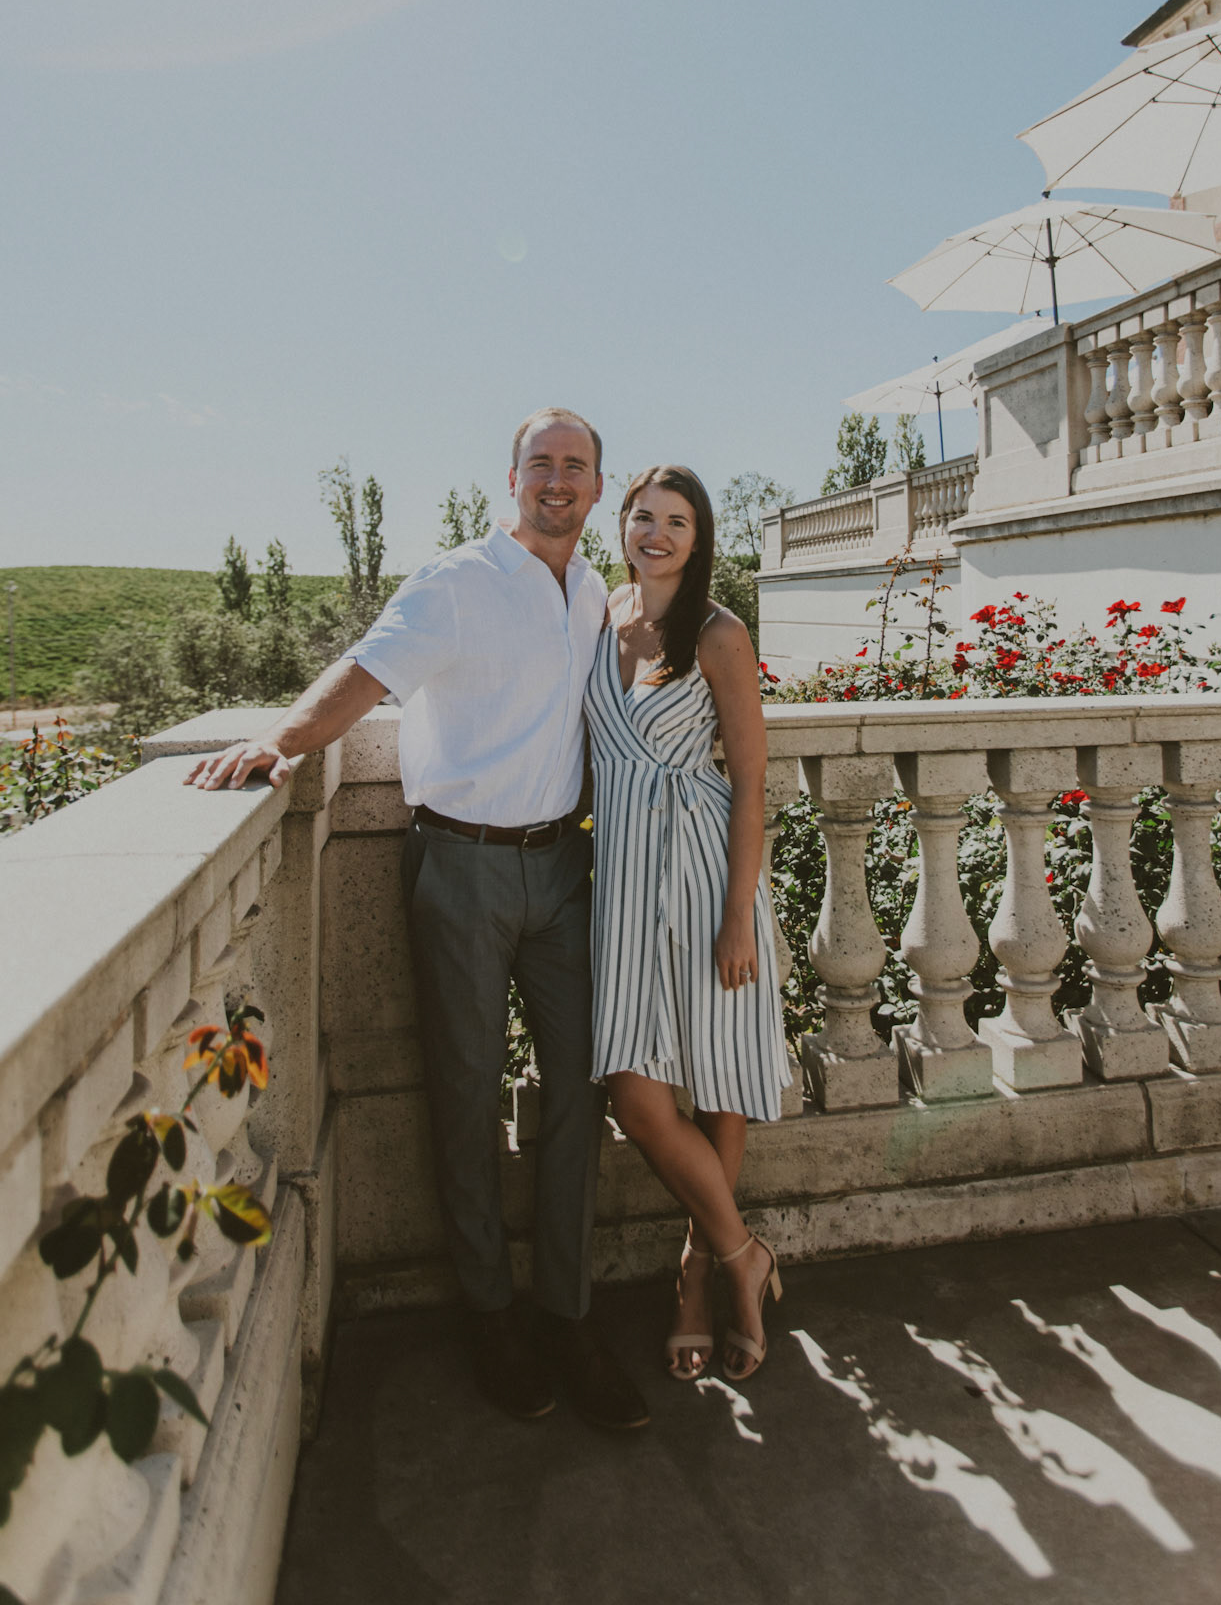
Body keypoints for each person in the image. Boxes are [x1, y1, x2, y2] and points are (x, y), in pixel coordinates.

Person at [184, 409, 648, 1434]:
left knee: (579, 1085)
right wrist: (283, 736)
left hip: (564, 866)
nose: (558, 480)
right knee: (465, 1089)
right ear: (512, 475)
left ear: (599, 485)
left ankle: (569, 1314)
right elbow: (368, 669)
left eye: (577, 466)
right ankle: (491, 1313)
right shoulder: (457, 580)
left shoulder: (593, 594)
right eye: (542, 463)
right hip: (461, 863)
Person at [587, 465, 791, 1383]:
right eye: (643, 516)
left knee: (717, 1082)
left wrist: (738, 916)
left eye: (677, 520)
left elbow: (749, 780)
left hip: (707, 872)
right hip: (623, 881)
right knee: (636, 1094)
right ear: (621, 526)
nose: (657, 532)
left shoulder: (718, 632)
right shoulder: (595, 620)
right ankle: (743, 1251)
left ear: (700, 537)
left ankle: (697, 1279)